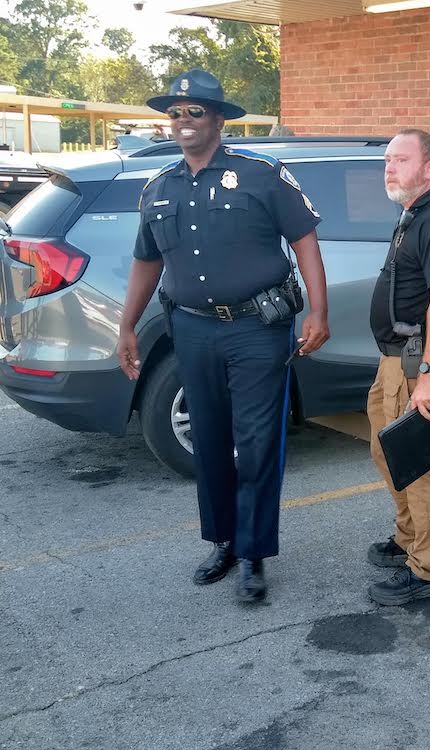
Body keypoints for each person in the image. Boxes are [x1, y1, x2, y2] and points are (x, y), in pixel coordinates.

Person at [117, 69, 329, 603]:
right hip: (191, 328)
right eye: (175, 113)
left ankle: (255, 554)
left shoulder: (262, 174)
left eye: (195, 112)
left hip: (258, 329)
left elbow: (305, 241)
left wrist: (317, 312)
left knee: (257, 444)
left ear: (218, 120)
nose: (183, 122)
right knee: (209, 440)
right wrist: (126, 326)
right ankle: (224, 542)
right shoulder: (158, 187)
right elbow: (147, 261)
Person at [366, 129, 430, 606]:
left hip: (416, 367)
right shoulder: (414, 215)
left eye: (400, 159)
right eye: (387, 160)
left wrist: (428, 377)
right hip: (394, 363)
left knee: (420, 466)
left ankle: (425, 571)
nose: (389, 167)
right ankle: (408, 537)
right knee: (388, 454)